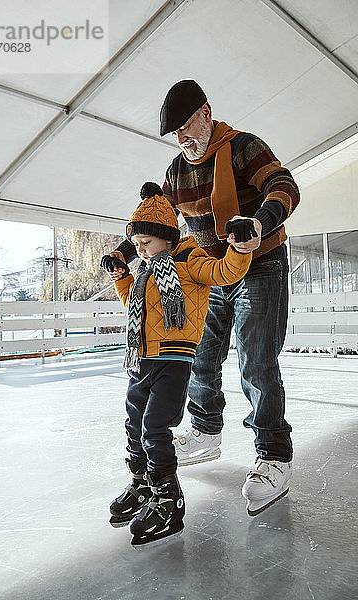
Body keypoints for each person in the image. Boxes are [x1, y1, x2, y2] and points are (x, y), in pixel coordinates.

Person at [108, 80, 300, 517]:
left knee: (256, 357)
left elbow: (285, 186)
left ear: (206, 113)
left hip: (260, 262)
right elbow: (155, 221)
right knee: (199, 354)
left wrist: (257, 222)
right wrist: (121, 254)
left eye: (186, 127)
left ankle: (273, 453)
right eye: (174, 133)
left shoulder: (244, 147)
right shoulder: (176, 171)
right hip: (207, 272)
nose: (181, 139)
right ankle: (205, 430)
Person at [101, 182, 251, 546]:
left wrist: (239, 246)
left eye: (145, 243)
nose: (138, 250)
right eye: (135, 245)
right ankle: (141, 484)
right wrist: (123, 278)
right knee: (134, 422)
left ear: (166, 237)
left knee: (156, 426)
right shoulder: (149, 269)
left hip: (173, 359)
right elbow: (137, 308)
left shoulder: (189, 260)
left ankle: (168, 499)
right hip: (142, 357)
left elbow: (224, 273)